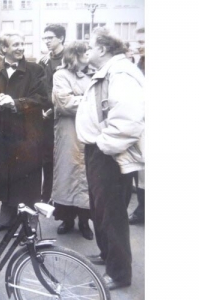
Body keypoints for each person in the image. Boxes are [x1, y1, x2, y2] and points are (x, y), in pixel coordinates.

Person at [76, 26, 145, 290]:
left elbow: (128, 120)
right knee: (101, 210)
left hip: (110, 154)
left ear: (102, 49)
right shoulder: (111, 70)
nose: (87, 49)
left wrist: (103, 145)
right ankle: (107, 256)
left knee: (112, 214)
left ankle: (118, 274)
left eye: (90, 45)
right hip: (102, 151)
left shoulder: (121, 72)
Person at [0, 31, 47, 232]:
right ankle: (6, 219)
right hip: (2, 134)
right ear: (4, 49)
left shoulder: (35, 70)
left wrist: (16, 103)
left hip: (27, 134)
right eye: (16, 44)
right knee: (5, 178)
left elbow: (42, 98)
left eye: (22, 43)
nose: (21, 47)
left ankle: (30, 224)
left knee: (29, 181)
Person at [50, 42, 93, 240]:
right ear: (75, 55)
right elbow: (65, 103)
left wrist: (79, 98)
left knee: (86, 176)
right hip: (68, 131)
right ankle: (67, 219)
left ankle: (84, 221)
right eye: (85, 52)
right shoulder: (60, 75)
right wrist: (89, 101)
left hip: (89, 132)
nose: (89, 54)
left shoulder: (93, 74)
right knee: (68, 173)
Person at [38, 24, 65, 212]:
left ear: (61, 38)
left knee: (64, 160)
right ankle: (46, 196)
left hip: (64, 118)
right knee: (47, 159)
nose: (47, 41)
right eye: (45, 38)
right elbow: (41, 88)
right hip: (46, 119)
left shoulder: (70, 60)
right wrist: (42, 108)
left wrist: (54, 109)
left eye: (50, 38)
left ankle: (63, 203)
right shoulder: (44, 61)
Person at [129, 27, 146, 225]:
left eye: (142, 42)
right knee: (142, 171)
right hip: (141, 121)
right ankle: (142, 209)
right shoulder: (140, 62)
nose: (139, 46)